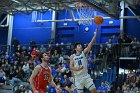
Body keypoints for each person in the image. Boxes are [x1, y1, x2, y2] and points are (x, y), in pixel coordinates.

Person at [70, 26, 99, 93]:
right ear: (75, 48)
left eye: (81, 45)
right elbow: (71, 67)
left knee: (94, 91)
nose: (81, 46)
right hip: (78, 78)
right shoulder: (72, 56)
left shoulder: (84, 53)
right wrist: (77, 68)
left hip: (85, 76)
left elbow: (91, 43)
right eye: (79, 46)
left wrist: (96, 34)